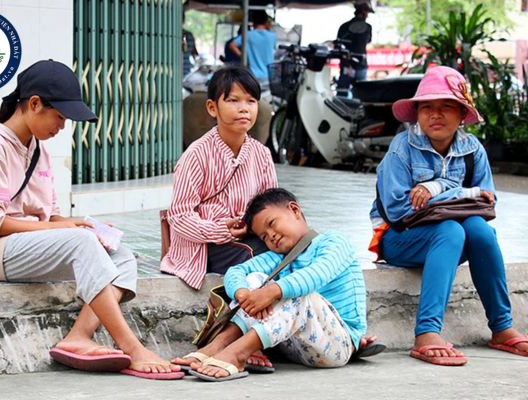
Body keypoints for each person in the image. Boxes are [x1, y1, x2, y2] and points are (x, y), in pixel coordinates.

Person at [0, 60, 183, 380]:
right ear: (34, 104)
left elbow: (51, 217)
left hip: (23, 245)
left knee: (122, 257)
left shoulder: (38, 149)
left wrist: (85, 225)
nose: (62, 126)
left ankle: (78, 336)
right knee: (80, 242)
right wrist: (60, 228)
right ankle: (132, 347)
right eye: (59, 116)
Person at [369, 65, 528, 366]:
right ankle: (427, 331)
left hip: (449, 242)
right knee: (451, 230)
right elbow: (399, 211)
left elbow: (486, 200)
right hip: (399, 239)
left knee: (480, 230)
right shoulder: (402, 149)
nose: (435, 114)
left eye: (446, 107)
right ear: (417, 114)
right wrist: (460, 192)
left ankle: (502, 326)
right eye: (427, 107)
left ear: (461, 114)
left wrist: (437, 187)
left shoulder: (472, 149)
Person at [175, 188, 369, 381]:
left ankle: (237, 354)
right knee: (253, 279)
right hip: (291, 346)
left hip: (336, 345)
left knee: (298, 292)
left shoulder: (334, 241)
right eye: (264, 237)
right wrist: (243, 294)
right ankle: (219, 345)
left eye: (272, 224)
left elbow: (317, 274)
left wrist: (272, 292)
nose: (271, 236)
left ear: (294, 210)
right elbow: (236, 272)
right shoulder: (280, 257)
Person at [161, 65, 277, 291]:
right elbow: (180, 216)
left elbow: (271, 205)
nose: (244, 109)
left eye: (251, 101)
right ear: (212, 108)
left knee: (297, 249)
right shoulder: (195, 155)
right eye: (233, 100)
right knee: (262, 259)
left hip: (249, 237)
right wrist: (220, 230)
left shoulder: (261, 154)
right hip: (206, 246)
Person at [335, 0, 374, 97]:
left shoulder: (344, 26)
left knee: (342, 93)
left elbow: (338, 44)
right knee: (361, 94)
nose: (367, 15)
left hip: (346, 64)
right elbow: (368, 41)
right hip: (361, 64)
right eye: (367, 13)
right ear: (364, 12)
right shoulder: (368, 27)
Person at [228, 10, 276, 85]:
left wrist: (243, 56)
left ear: (253, 21)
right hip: (268, 76)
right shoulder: (272, 36)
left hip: (253, 75)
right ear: (266, 21)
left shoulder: (248, 35)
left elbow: (232, 45)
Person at [182, 12, 199, 76]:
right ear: (184, 21)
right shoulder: (189, 35)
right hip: (186, 69)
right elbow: (194, 53)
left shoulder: (170, 35)